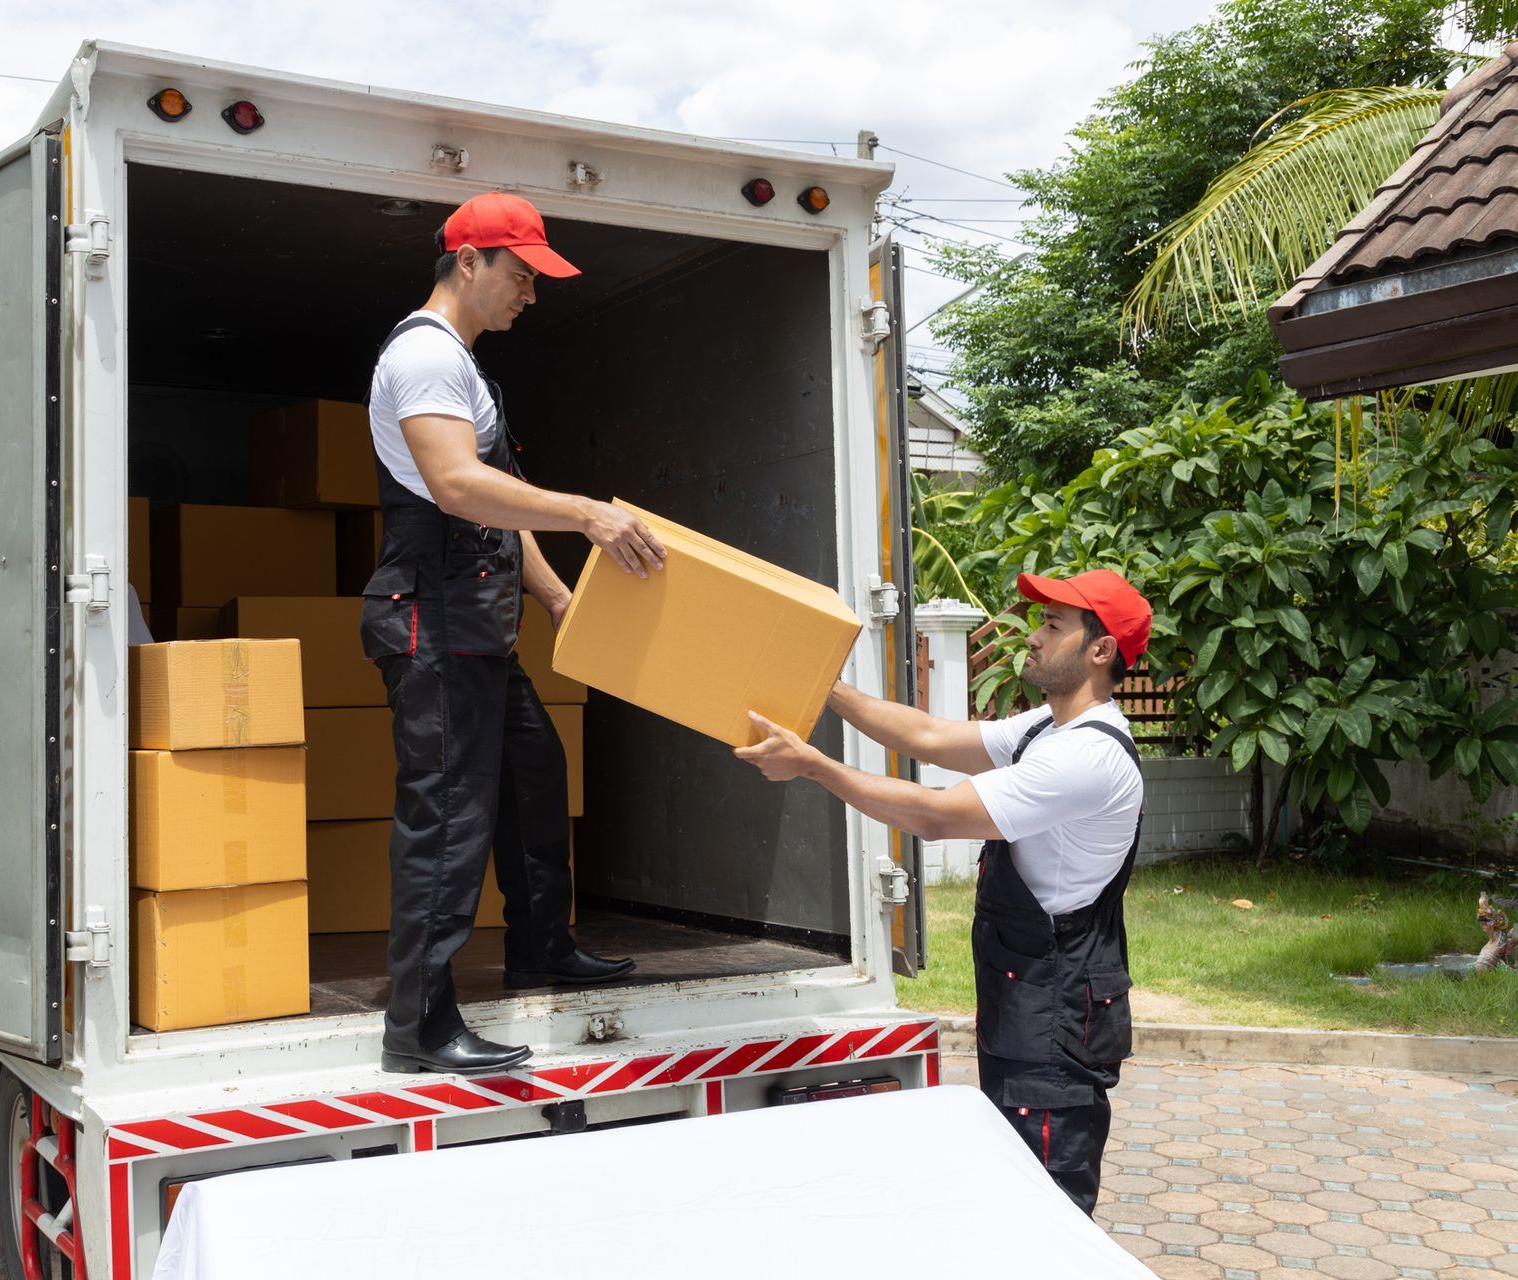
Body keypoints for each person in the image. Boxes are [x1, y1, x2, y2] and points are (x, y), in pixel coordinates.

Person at [361, 191, 667, 1076]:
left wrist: (561, 600)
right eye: (522, 275)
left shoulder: (465, 366)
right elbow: (457, 487)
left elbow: (502, 510)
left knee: (535, 773)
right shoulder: (424, 356)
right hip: (433, 615)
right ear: (469, 262)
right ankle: (418, 1028)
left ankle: (539, 945)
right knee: (448, 819)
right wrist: (588, 513)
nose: (531, 295)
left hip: (477, 616)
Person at [733, 569, 1151, 1215]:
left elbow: (934, 815)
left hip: (1055, 1025)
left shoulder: (1087, 759)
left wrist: (813, 765)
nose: (1033, 638)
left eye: (1053, 625)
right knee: (1015, 1200)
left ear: (1100, 651)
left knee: (1047, 1214)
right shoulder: (1048, 729)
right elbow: (927, 737)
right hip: (1030, 1007)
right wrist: (822, 684)